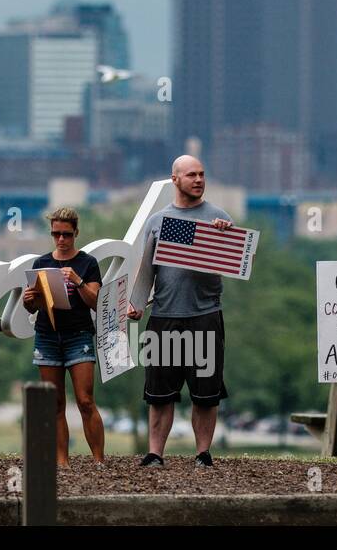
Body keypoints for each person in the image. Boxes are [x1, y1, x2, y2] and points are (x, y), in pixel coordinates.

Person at [127, 156, 233, 468]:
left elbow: (236, 262)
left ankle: (203, 454)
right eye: (191, 175)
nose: (199, 180)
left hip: (205, 316)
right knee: (159, 393)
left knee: (205, 393)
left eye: (202, 174)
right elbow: (147, 269)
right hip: (163, 316)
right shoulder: (158, 221)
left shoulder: (219, 218)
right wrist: (136, 302)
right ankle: (155, 454)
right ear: (175, 179)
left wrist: (223, 238)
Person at [21, 207, 104, 465]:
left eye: (66, 234)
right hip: (47, 335)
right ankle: (62, 462)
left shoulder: (87, 263)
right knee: (55, 403)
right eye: (56, 234)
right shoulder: (41, 263)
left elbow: (97, 302)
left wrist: (78, 281)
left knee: (85, 400)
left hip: (78, 335)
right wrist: (28, 301)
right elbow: (34, 307)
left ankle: (99, 461)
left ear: (75, 233)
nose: (61, 240)